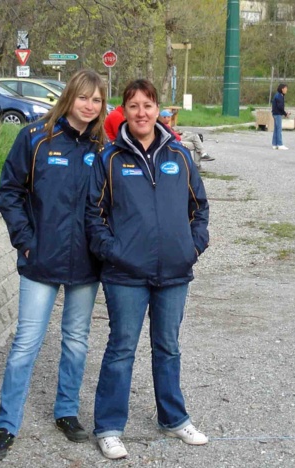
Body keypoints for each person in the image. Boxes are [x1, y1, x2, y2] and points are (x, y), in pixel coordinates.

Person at [86, 79, 210, 460]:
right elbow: (94, 214)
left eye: (148, 105)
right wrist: (114, 252)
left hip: (174, 271)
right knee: (121, 348)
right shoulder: (110, 158)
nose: (142, 112)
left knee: (168, 347)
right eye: (134, 106)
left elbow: (199, 208)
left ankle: (173, 418)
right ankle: (108, 427)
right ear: (123, 111)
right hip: (125, 274)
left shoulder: (179, 155)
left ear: (159, 110)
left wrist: (192, 247)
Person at [0, 69, 108, 462]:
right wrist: (24, 240)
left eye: (97, 100)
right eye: (83, 97)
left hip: (85, 265)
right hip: (40, 260)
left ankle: (66, 412)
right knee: (26, 344)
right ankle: (7, 424)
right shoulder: (36, 138)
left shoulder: (102, 147)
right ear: (70, 97)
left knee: (76, 342)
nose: (89, 106)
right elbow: (8, 191)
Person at [271, 83, 290, 150]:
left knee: (276, 129)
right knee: (279, 129)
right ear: (282, 89)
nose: (286, 90)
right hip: (277, 114)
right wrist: (285, 114)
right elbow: (280, 107)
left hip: (275, 113)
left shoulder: (278, 95)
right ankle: (280, 144)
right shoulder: (279, 96)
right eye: (286, 88)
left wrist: (284, 113)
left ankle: (274, 144)